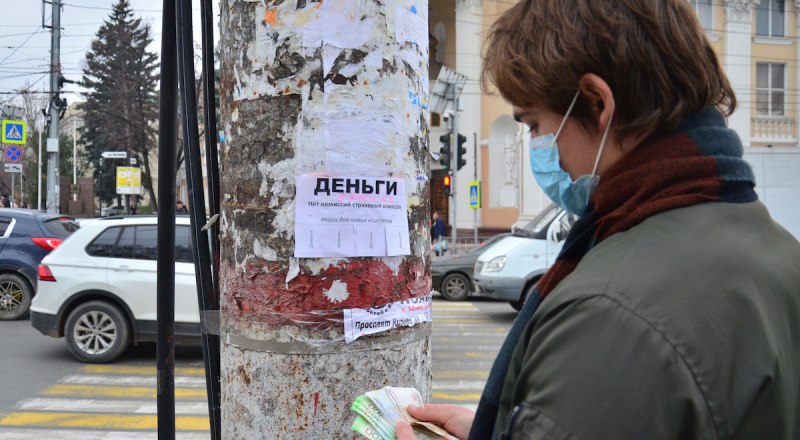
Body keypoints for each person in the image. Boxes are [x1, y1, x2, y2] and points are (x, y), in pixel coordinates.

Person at [398, 1, 800, 439]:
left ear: (596, 102)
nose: (538, 147)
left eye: (534, 125)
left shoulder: (609, 313)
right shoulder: (779, 251)